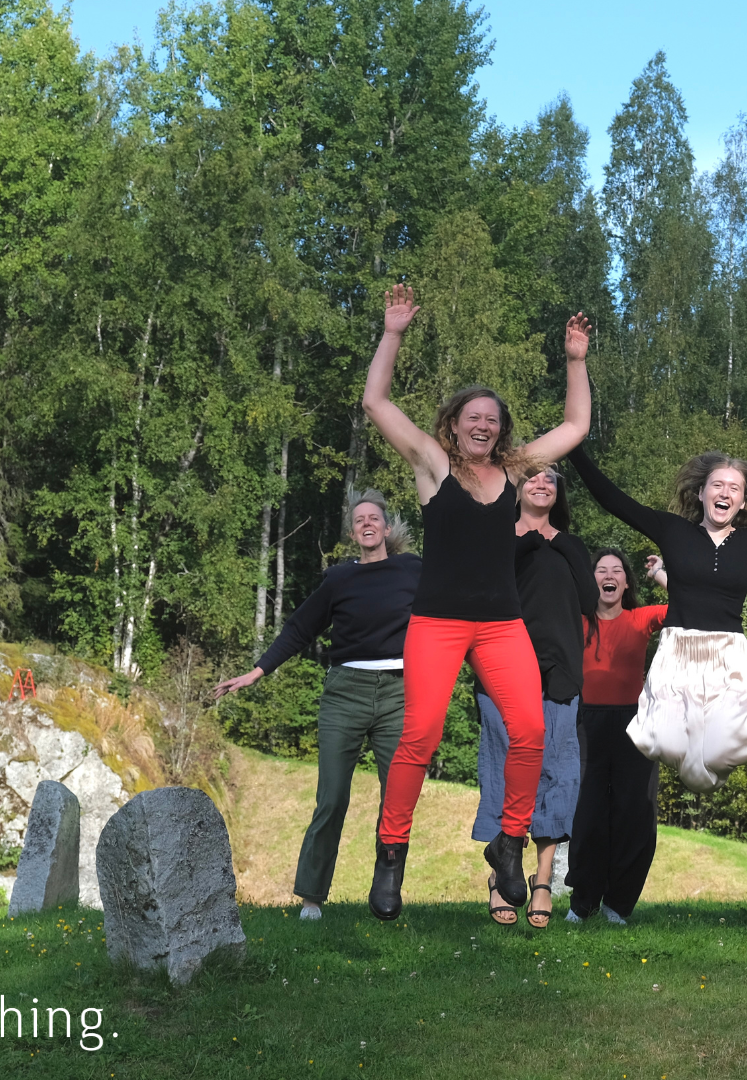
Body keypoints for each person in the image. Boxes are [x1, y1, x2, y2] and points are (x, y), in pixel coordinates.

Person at [359, 282, 594, 921]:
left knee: (530, 731)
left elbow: (576, 426)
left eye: (492, 420)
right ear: (454, 425)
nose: (484, 426)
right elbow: (375, 400)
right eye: (474, 418)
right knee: (421, 735)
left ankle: (510, 844)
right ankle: (391, 853)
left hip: (500, 625)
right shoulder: (433, 464)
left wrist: (575, 361)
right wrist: (394, 332)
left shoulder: (517, 471)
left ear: (501, 431)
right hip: (437, 623)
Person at [213, 491, 419, 921]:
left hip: (401, 692)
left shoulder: (412, 570)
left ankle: (386, 890)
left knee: (396, 798)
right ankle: (311, 897)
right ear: (352, 533)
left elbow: (450, 614)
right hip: (345, 691)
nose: (367, 524)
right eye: (359, 519)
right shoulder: (339, 579)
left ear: (386, 528)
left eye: (374, 518)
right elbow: (300, 628)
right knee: (332, 798)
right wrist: (257, 671)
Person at [568, 447, 747, 792]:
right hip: (677, 650)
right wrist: (575, 449)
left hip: (728, 654)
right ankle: (698, 771)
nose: (724, 493)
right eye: (717, 485)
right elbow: (612, 499)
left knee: (729, 746)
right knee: (661, 742)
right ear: (701, 493)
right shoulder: (673, 530)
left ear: (742, 502)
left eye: (734, 488)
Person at [472, 466, 597, 927]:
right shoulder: (497, 537)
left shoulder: (569, 544)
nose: (542, 484)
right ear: (516, 489)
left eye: (551, 479)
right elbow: (483, 587)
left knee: (558, 774)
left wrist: (558, 540)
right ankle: (503, 871)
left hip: (560, 674)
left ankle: (542, 879)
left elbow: (589, 599)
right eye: (532, 478)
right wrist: (529, 538)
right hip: (501, 671)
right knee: (504, 770)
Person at [566, 550, 670, 925]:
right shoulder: (575, 622)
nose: (608, 576)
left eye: (616, 571)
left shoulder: (641, 618)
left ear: (626, 583)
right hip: (585, 725)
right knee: (587, 815)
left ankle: (618, 905)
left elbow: (690, 606)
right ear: (590, 580)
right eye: (600, 570)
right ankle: (582, 903)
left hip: (635, 725)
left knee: (634, 814)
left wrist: (660, 574)